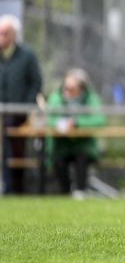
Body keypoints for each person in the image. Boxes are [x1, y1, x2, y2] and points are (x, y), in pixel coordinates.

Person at [46, 69, 105, 199]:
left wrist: (77, 122)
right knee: (58, 161)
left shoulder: (91, 98)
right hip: (62, 145)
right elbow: (51, 119)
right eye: (65, 88)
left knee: (82, 157)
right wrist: (63, 124)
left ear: (81, 87)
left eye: (71, 88)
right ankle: (65, 193)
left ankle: (80, 192)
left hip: (84, 144)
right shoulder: (56, 97)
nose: (67, 91)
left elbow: (99, 120)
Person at [0, 14, 43, 194]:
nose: (2, 37)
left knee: (17, 154)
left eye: (6, 33)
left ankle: (16, 191)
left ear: (14, 35)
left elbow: (36, 82)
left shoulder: (27, 55)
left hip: (18, 115)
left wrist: (25, 104)